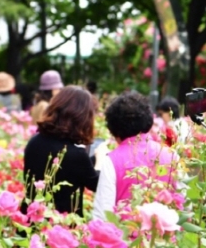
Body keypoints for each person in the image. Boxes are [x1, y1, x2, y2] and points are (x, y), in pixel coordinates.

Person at [91, 91, 176, 220]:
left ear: (113, 129)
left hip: (126, 236)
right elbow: (185, 205)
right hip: (164, 237)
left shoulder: (112, 160)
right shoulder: (171, 155)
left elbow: (102, 215)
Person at [22, 86, 99, 216]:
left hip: (32, 217)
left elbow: (65, 168)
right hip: (61, 226)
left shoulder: (35, 141)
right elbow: (96, 184)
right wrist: (100, 158)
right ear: (82, 117)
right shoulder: (76, 154)